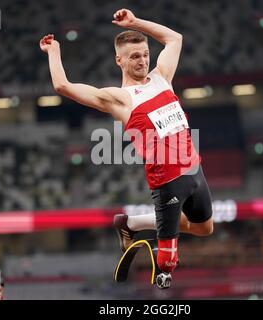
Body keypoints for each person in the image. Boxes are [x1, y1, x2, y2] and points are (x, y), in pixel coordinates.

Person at [40, 8, 214, 283]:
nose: (143, 61)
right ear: (119, 60)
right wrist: (54, 52)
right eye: (134, 56)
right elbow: (63, 86)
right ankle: (155, 258)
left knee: (205, 228)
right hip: (167, 181)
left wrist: (136, 23)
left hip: (195, 170)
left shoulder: (162, 78)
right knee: (167, 263)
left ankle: (130, 223)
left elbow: (174, 39)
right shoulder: (119, 98)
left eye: (145, 54)